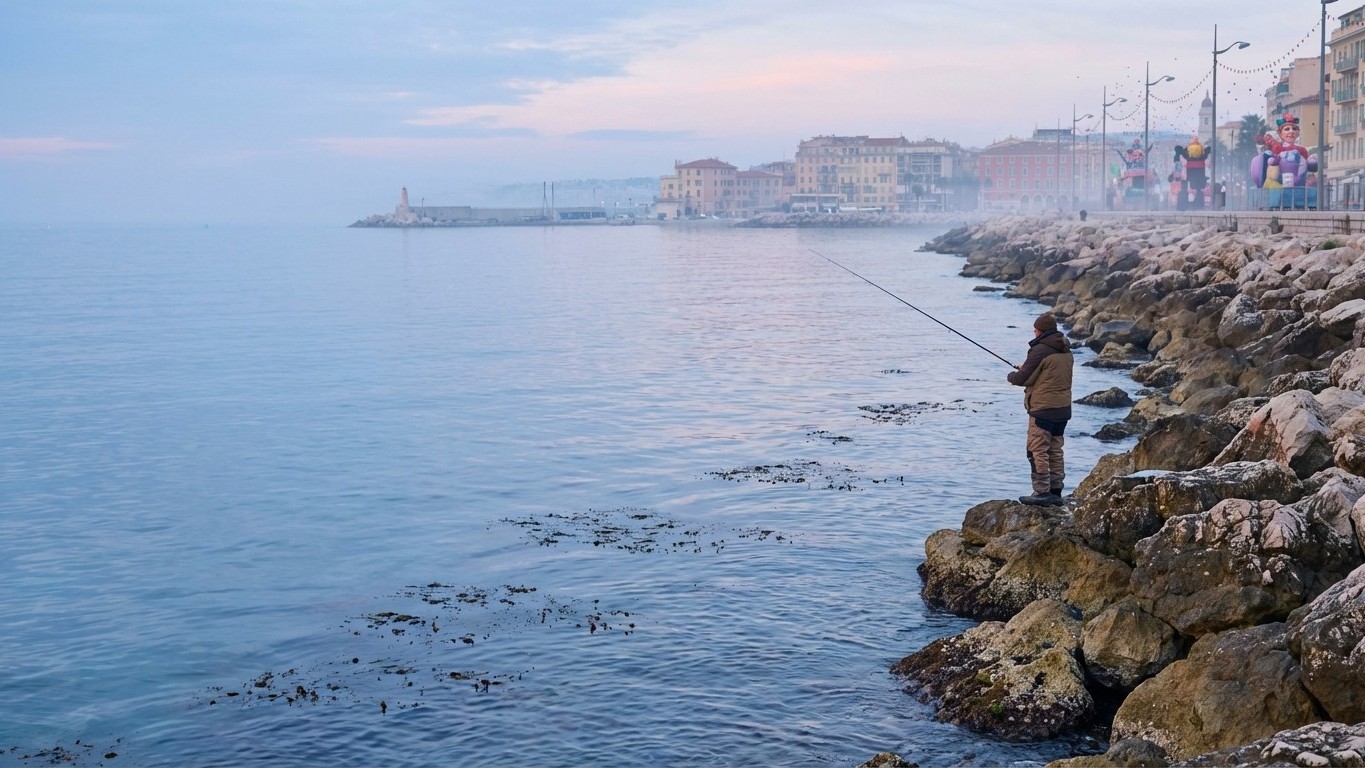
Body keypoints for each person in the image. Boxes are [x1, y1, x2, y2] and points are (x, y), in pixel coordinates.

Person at [1006, 313, 1073, 506]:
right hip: (1062, 409)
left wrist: (1013, 374)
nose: (1033, 332)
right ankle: (1055, 491)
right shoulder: (1065, 349)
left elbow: (1022, 379)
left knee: (1037, 451)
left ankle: (1042, 492)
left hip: (1043, 409)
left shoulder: (1040, 350)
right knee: (1055, 450)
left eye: (1035, 329)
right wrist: (1026, 368)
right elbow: (1045, 373)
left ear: (1041, 331)